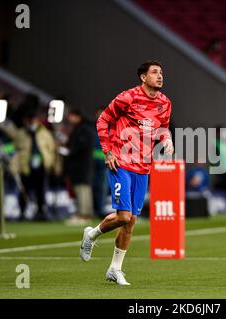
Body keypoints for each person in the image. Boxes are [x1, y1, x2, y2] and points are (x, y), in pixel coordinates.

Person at [79, 61, 174, 285]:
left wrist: (167, 140)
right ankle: (91, 235)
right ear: (143, 77)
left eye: (161, 72)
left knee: (130, 221)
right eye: (154, 72)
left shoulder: (165, 103)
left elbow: (162, 128)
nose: (160, 76)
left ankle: (114, 269)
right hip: (120, 162)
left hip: (143, 167)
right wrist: (108, 152)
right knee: (123, 216)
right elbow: (103, 120)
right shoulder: (127, 97)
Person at [64, 108, 95, 225]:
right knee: (85, 188)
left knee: (81, 188)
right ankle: (86, 214)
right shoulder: (87, 128)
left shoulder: (82, 129)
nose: (69, 119)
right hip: (85, 163)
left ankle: (82, 215)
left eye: (71, 116)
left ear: (77, 116)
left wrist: (69, 151)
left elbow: (79, 146)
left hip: (80, 164)